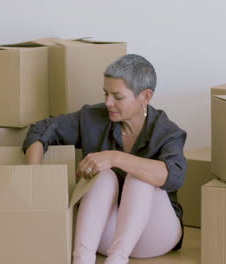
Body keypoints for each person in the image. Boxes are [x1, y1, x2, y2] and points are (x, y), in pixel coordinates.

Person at [22, 54, 187, 264]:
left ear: (145, 97)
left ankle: (117, 260)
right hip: (107, 235)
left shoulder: (167, 131)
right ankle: (82, 259)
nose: (108, 102)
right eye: (105, 93)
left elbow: (174, 175)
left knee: (139, 178)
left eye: (117, 97)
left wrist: (115, 157)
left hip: (155, 235)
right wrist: (34, 177)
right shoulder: (93, 118)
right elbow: (41, 130)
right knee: (103, 176)